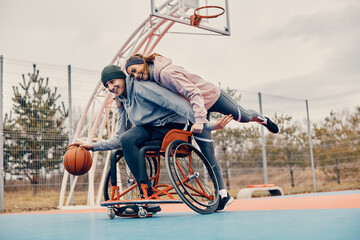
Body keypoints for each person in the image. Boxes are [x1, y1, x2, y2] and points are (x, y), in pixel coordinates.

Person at [68, 65, 233, 213]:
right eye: (107, 85)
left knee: (135, 144)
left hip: (172, 127)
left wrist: (206, 124)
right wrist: (93, 146)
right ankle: (147, 194)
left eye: (112, 81)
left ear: (123, 77)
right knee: (126, 139)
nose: (111, 87)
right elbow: (119, 138)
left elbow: (179, 105)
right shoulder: (122, 100)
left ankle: (147, 197)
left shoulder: (142, 88)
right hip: (150, 129)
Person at [125, 53, 279, 135]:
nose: (135, 76)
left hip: (211, 97)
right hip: (197, 108)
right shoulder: (154, 81)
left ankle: (263, 119)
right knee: (204, 144)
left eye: (134, 70)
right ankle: (221, 193)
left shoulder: (166, 73)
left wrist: (199, 120)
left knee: (244, 117)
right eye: (131, 76)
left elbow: (194, 93)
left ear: (142, 62)